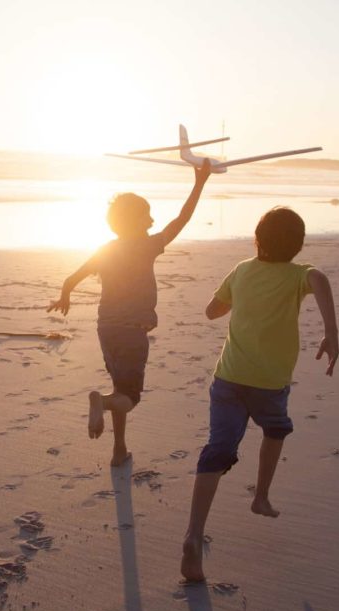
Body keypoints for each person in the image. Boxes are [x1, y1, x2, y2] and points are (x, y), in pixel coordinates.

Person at [180, 206, 339, 583]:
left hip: (229, 378)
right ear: (299, 245)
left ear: (257, 238)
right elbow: (319, 279)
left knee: (217, 450)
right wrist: (332, 330)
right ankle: (261, 496)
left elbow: (210, 312)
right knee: (275, 430)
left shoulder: (241, 270)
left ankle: (193, 533)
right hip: (269, 383)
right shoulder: (299, 274)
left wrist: (230, 299)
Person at [48, 159, 212, 466]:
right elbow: (183, 219)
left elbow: (71, 279)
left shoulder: (106, 249)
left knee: (119, 387)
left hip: (106, 329)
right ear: (136, 222)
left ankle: (119, 449)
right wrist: (200, 184)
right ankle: (101, 402)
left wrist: (65, 297)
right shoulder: (147, 246)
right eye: (148, 216)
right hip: (132, 332)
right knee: (129, 397)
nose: (152, 222)